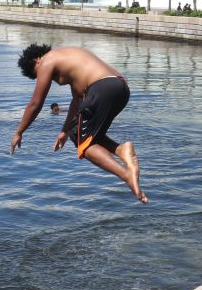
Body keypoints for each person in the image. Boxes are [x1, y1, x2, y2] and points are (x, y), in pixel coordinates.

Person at [12, 44, 147, 203]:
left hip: (102, 88)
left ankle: (126, 175)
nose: (51, 80)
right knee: (88, 136)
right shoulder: (70, 58)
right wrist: (64, 131)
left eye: (41, 75)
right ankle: (121, 150)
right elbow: (76, 103)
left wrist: (19, 132)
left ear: (36, 61)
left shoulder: (46, 61)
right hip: (121, 88)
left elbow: (35, 104)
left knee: (80, 140)